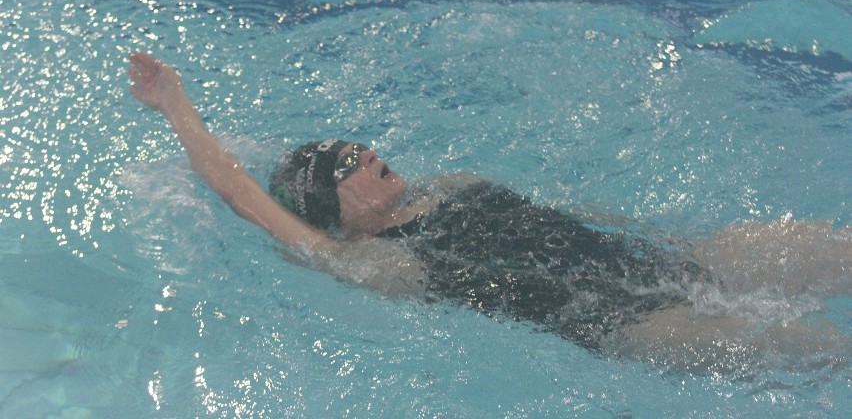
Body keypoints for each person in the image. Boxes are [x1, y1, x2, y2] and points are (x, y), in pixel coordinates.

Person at [128, 51, 850, 369]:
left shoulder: (454, 184)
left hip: (667, 265)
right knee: (814, 351)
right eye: (346, 165)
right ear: (336, 212)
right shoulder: (371, 261)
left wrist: (681, 244)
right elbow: (241, 192)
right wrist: (177, 106)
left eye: (359, 144)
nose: (366, 153)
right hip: (636, 325)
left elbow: (579, 217)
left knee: (826, 249)